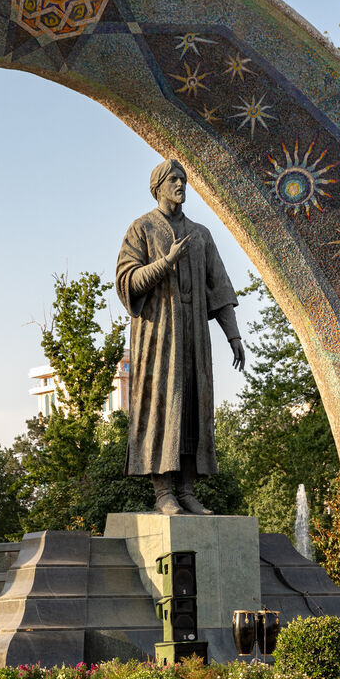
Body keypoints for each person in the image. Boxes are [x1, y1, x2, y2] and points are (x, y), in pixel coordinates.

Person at [116, 158, 244, 514]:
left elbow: (219, 288)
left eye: (183, 179)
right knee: (161, 406)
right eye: (173, 179)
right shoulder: (141, 229)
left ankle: (186, 490)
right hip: (157, 336)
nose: (180, 185)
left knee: (193, 405)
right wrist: (165, 263)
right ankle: (164, 493)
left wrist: (233, 336)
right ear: (157, 186)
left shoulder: (201, 234)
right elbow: (127, 282)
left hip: (193, 336)